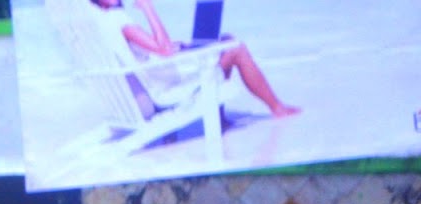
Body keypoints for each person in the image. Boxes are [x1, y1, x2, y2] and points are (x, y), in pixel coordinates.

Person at [90, 0, 300, 117]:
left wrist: (178, 47)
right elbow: (163, 49)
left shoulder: (104, 22)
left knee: (223, 39)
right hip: (166, 87)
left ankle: (219, 119)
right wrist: (148, 9)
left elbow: (153, 49)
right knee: (236, 48)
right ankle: (277, 108)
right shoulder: (119, 20)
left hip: (159, 75)